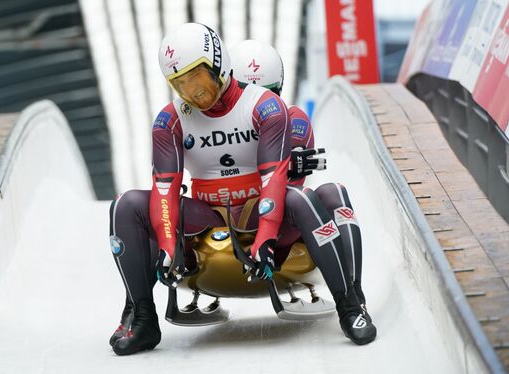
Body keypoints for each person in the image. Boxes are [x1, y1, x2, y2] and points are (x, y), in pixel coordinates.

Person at [108, 23, 376, 356]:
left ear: (220, 65)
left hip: (262, 214)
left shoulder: (268, 107)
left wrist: (265, 236)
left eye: (199, 79)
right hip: (207, 217)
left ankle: (350, 304)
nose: (197, 93)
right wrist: (165, 244)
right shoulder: (170, 119)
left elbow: (274, 180)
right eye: (183, 84)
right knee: (126, 205)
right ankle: (141, 315)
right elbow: (165, 187)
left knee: (307, 195)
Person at [230, 39, 370, 305]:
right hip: (234, 223)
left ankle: (354, 294)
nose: (260, 104)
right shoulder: (212, 124)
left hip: (283, 222)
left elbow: (289, 175)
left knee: (333, 192)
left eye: (268, 95)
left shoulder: (293, 119)